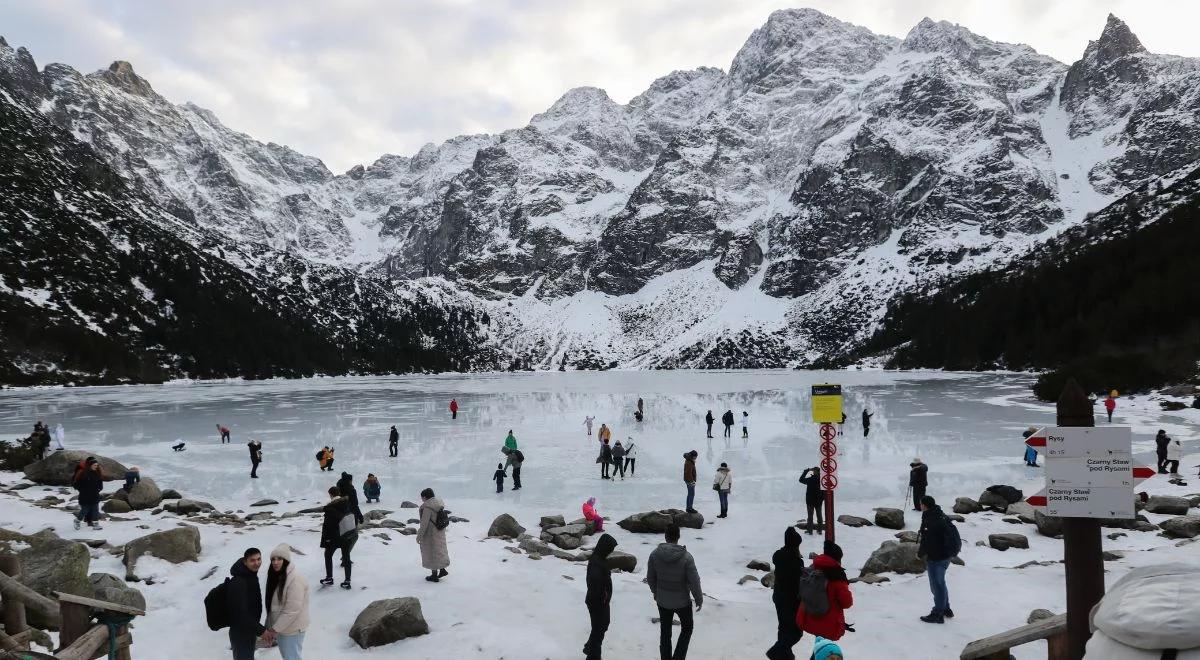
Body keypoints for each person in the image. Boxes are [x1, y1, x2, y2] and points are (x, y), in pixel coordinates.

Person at [647, 524, 703, 660]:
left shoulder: (655, 554)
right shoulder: (687, 557)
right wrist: (699, 598)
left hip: (663, 601)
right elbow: (694, 581)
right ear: (678, 536)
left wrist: (656, 593)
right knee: (687, 628)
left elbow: (650, 578)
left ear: (665, 536)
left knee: (665, 633)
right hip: (682, 602)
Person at [795, 541, 853, 642]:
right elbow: (847, 602)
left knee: (820, 648)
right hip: (828, 623)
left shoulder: (814, 567)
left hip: (810, 617)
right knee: (825, 652)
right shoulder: (837, 576)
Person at [265, 544, 310, 660]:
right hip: (283, 629)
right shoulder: (279, 577)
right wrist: (271, 627)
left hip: (292, 630)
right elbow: (274, 606)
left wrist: (274, 630)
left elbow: (292, 610)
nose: (275, 562)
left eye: (279, 559)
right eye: (273, 559)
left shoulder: (295, 580)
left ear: (286, 560)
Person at [766, 527, 804, 660]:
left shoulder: (780, 556)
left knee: (783, 629)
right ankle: (776, 652)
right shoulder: (795, 561)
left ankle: (785, 656)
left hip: (779, 597)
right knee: (796, 632)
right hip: (791, 600)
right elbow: (798, 582)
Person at [227, 548, 271, 659]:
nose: (257, 563)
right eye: (252, 560)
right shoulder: (239, 582)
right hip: (240, 633)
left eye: (259, 559)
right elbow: (240, 613)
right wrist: (261, 631)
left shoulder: (250, 576)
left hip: (249, 629)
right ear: (245, 562)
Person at [917, 495, 955, 623]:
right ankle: (945, 609)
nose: (920, 505)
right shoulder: (939, 514)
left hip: (937, 557)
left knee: (936, 586)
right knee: (941, 583)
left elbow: (928, 540)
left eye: (921, 503)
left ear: (925, 505)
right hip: (946, 555)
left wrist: (920, 553)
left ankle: (937, 614)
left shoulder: (931, 519)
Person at [584, 533, 618, 660]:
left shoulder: (599, 558)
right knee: (598, 631)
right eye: (610, 549)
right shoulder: (597, 562)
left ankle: (590, 648)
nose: (611, 551)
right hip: (597, 602)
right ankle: (593, 656)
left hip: (601, 601)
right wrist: (603, 599)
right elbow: (596, 586)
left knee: (601, 627)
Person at [319, 486, 356, 589]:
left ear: (331, 494)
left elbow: (328, 525)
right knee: (346, 556)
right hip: (347, 533)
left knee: (328, 554)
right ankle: (347, 581)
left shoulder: (330, 508)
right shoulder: (347, 503)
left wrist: (326, 539)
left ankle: (329, 578)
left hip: (335, 536)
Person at [417, 488, 449, 582]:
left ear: (425, 497)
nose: (422, 499)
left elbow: (424, 524)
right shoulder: (438, 504)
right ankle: (442, 570)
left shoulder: (427, 508)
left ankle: (434, 576)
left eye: (422, 497)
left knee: (431, 553)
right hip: (439, 531)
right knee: (439, 551)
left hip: (430, 534)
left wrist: (419, 536)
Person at [72, 457, 104, 531]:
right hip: (85, 496)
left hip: (95, 495)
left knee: (95, 510)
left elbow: (100, 482)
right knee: (84, 510)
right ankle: (77, 521)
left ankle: (96, 524)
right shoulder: (83, 473)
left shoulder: (97, 473)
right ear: (90, 465)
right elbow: (76, 484)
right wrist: (83, 490)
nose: (96, 467)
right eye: (95, 465)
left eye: (97, 465)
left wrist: (99, 489)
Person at [799, 467, 825, 535]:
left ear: (814, 472)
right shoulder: (822, 480)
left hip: (810, 501)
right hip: (818, 501)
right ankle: (819, 530)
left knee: (810, 516)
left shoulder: (810, 479)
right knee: (819, 515)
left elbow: (801, 480)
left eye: (813, 471)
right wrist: (822, 498)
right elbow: (824, 491)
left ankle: (810, 530)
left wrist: (806, 471)